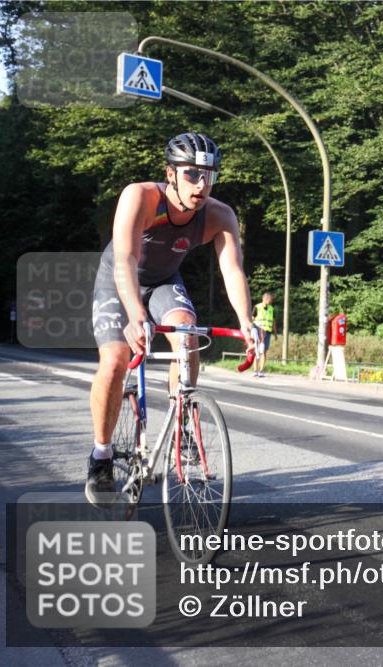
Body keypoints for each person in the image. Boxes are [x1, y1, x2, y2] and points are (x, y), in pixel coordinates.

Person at [86, 132, 256, 507]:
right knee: (115, 361)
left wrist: (246, 320)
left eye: (209, 176)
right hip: (119, 279)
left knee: (188, 334)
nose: (201, 185)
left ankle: (183, 418)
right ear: (171, 173)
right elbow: (126, 261)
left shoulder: (219, 215)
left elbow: (232, 270)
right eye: (192, 175)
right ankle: (101, 456)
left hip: (164, 282)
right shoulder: (141, 197)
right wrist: (135, 316)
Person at [252, 292, 275, 377]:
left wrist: (275, 333)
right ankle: (255, 370)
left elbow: (273, 321)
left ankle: (261, 370)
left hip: (268, 332)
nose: (271, 300)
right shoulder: (257, 307)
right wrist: (253, 330)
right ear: (265, 299)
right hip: (258, 332)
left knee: (264, 352)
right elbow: (252, 319)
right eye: (270, 299)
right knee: (257, 351)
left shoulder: (271, 308)